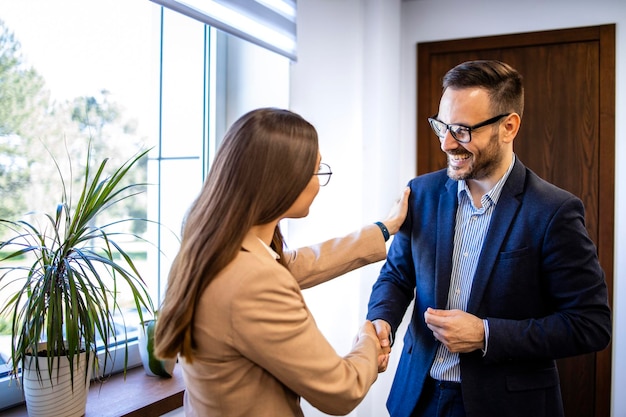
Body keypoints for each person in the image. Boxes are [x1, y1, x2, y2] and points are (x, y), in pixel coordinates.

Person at [366, 60, 611, 417]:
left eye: (462, 130)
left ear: (508, 127)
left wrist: (486, 334)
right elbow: (398, 275)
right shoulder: (421, 193)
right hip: (415, 398)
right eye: (442, 127)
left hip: (507, 405)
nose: (447, 143)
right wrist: (381, 319)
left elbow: (590, 324)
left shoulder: (554, 211)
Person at [154, 107, 410, 417]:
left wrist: (383, 229)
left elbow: (296, 263)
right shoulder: (254, 281)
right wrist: (368, 340)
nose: (318, 182)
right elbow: (342, 390)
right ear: (286, 180)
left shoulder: (208, 243)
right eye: (317, 171)